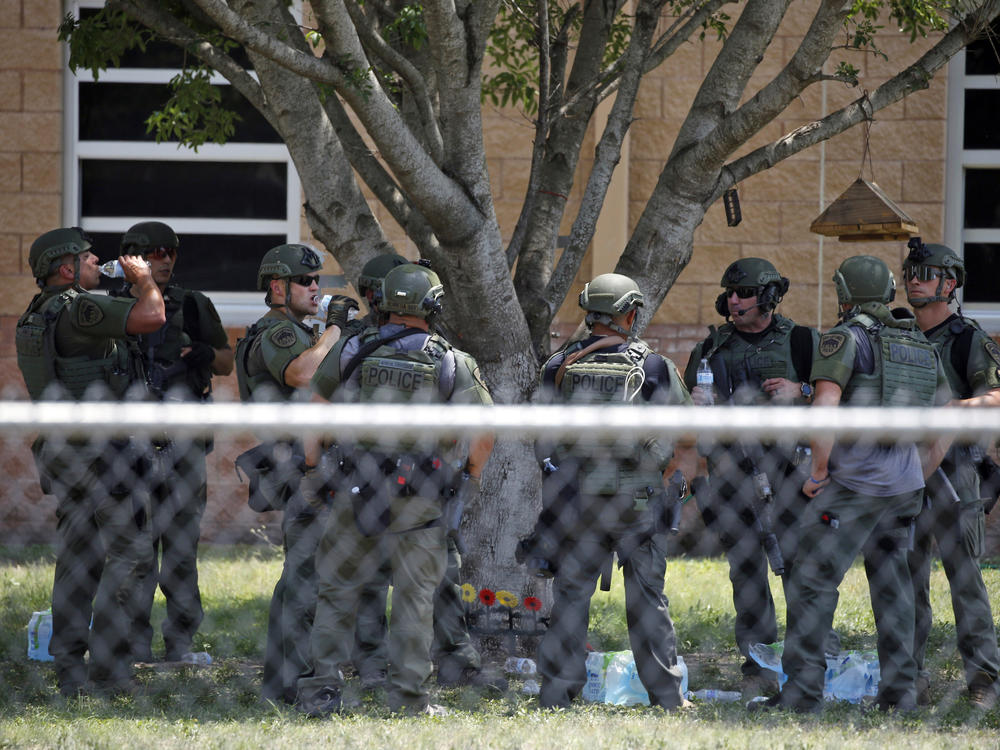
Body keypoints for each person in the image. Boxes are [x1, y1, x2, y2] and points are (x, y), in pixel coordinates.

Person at [296, 263, 494, 716]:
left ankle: (322, 691)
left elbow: (315, 411)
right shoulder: (450, 360)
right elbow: (486, 429)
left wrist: (312, 468)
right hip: (422, 495)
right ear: (433, 304)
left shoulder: (351, 347)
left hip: (355, 486)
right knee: (414, 596)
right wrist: (472, 475)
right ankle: (408, 699)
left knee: (337, 591)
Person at [769, 255, 950, 714]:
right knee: (894, 590)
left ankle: (802, 696)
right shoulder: (917, 342)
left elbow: (824, 407)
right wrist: (917, 474)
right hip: (904, 488)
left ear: (845, 294)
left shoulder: (843, 338)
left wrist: (818, 472)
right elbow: (943, 421)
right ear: (889, 291)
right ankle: (900, 696)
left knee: (812, 583)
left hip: (852, 489)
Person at [531, 273, 693, 711]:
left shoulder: (557, 366)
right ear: (631, 313)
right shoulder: (654, 367)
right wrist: (669, 481)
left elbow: (541, 437)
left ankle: (557, 693)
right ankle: (667, 696)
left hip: (577, 503)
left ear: (589, 312)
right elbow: (688, 434)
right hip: (637, 502)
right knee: (646, 599)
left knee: (570, 597)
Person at [15, 227, 165, 696]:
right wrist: (143, 279)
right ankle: (109, 668)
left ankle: (69, 665)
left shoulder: (35, 315)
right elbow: (152, 316)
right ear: (66, 269)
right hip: (104, 455)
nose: (97, 259)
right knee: (130, 554)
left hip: (66, 451)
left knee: (77, 559)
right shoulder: (79, 306)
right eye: (86, 257)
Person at [683, 258, 819, 695]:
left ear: (769, 297)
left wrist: (803, 391)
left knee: (800, 566)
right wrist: (698, 400)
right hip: (730, 472)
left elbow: (839, 394)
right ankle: (758, 664)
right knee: (746, 569)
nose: (734, 301)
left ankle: (807, 660)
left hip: (790, 472)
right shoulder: (711, 348)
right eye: (731, 294)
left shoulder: (802, 342)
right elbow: (688, 411)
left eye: (744, 293)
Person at [234, 243, 357, 704]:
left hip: (315, 463)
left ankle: (283, 682)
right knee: (306, 581)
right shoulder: (277, 331)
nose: (314, 287)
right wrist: (334, 330)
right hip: (301, 466)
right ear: (276, 287)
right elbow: (305, 373)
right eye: (304, 281)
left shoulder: (300, 329)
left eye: (316, 280)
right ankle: (296, 683)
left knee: (301, 578)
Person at [111, 221, 233, 664]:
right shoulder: (108, 307)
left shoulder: (194, 305)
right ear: (131, 258)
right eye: (153, 253)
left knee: (181, 550)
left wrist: (204, 354)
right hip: (130, 446)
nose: (164, 260)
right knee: (136, 550)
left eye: (170, 252)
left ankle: (180, 644)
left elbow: (225, 362)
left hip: (182, 445)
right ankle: (134, 646)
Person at [902, 239, 1000, 708]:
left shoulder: (968, 339)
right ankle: (909, 677)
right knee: (905, 579)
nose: (914, 279)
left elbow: (995, 399)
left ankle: (983, 679)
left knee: (965, 581)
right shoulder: (897, 334)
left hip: (957, 474)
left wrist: (949, 410)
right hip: (902, 470)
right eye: (911, 272)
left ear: (950, 282)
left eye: (926, 272)